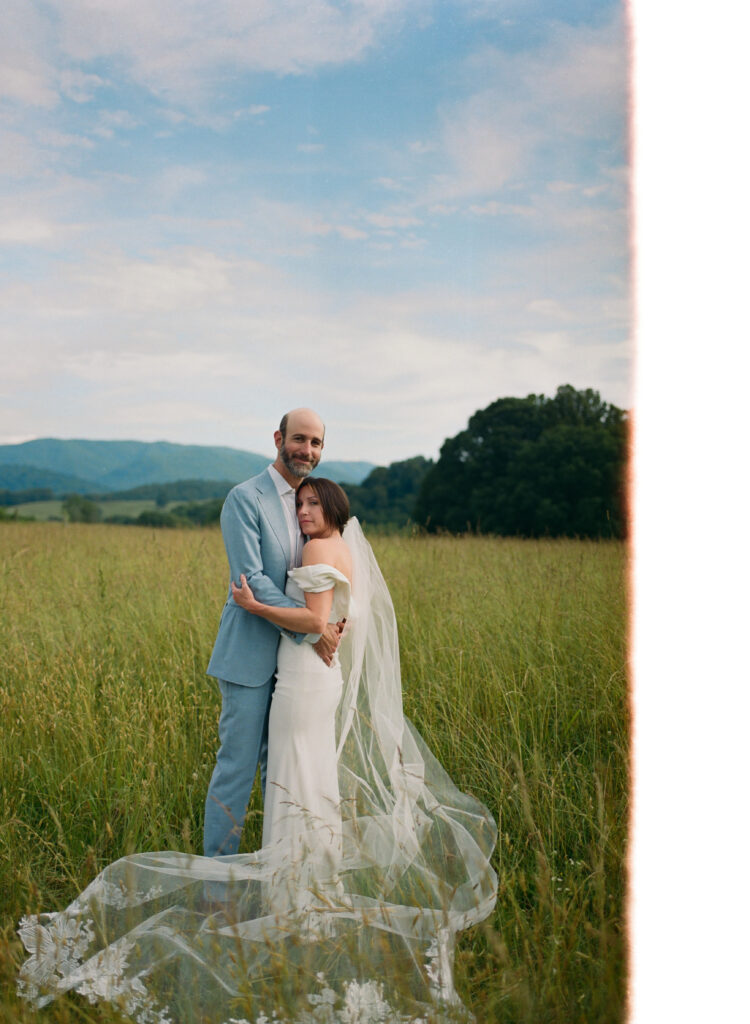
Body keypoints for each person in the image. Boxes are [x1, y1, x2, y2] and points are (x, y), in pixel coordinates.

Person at [18, 478, 498, 1024]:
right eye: (301, 503)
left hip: (302, 679)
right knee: (308, 776)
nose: (305, 511)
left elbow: (312, 620)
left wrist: (257, 605)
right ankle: (308, 888)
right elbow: (317, 609)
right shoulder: (319, 535)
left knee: (291, 775)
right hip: (312, 674)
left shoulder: (317, 549)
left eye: (314, 503)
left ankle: (293, 900)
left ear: (333, 506)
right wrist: (320, 625)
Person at [203, 407, 343, 859]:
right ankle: (220, 884)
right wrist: (312, 628)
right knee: (236, 771)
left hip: (296, 669)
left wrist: (332, 621)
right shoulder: (245, 498)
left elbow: (329, 570)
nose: (307, 450)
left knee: (282, 772)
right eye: (299, 439)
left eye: (316, 443)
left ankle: (281, 871)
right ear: (279, 439)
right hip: (250, 655)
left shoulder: (314, 502)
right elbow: (251, 580)